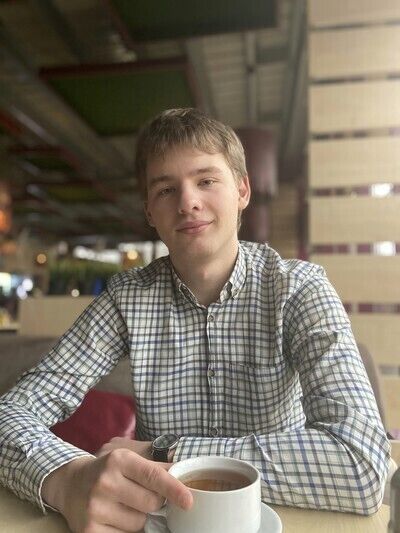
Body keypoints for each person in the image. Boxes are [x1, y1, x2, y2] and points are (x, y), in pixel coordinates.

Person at [0, 108, 390, 532]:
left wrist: (166, 452)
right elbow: (11, 413)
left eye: (206, 181)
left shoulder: (298, 288)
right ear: (149, 211)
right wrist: (67, 478)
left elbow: (363, 461)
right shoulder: (126, 299)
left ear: (242, 190)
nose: (188, 202)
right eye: (166, 189)